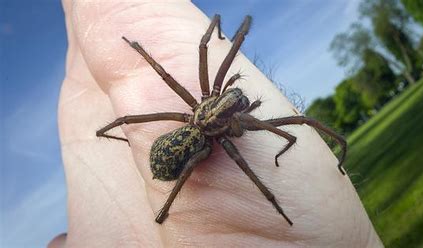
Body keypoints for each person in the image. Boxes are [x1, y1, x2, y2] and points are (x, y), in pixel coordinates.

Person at [50, 0, 383, 247]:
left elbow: (200, 49)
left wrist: (215, 29)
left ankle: (166, 207)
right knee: (207, 151)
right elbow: (265, 147)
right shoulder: (224, 133)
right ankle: (167, 207)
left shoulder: (204, 105)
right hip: (188, 146)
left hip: (190, 128)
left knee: (203, 54)